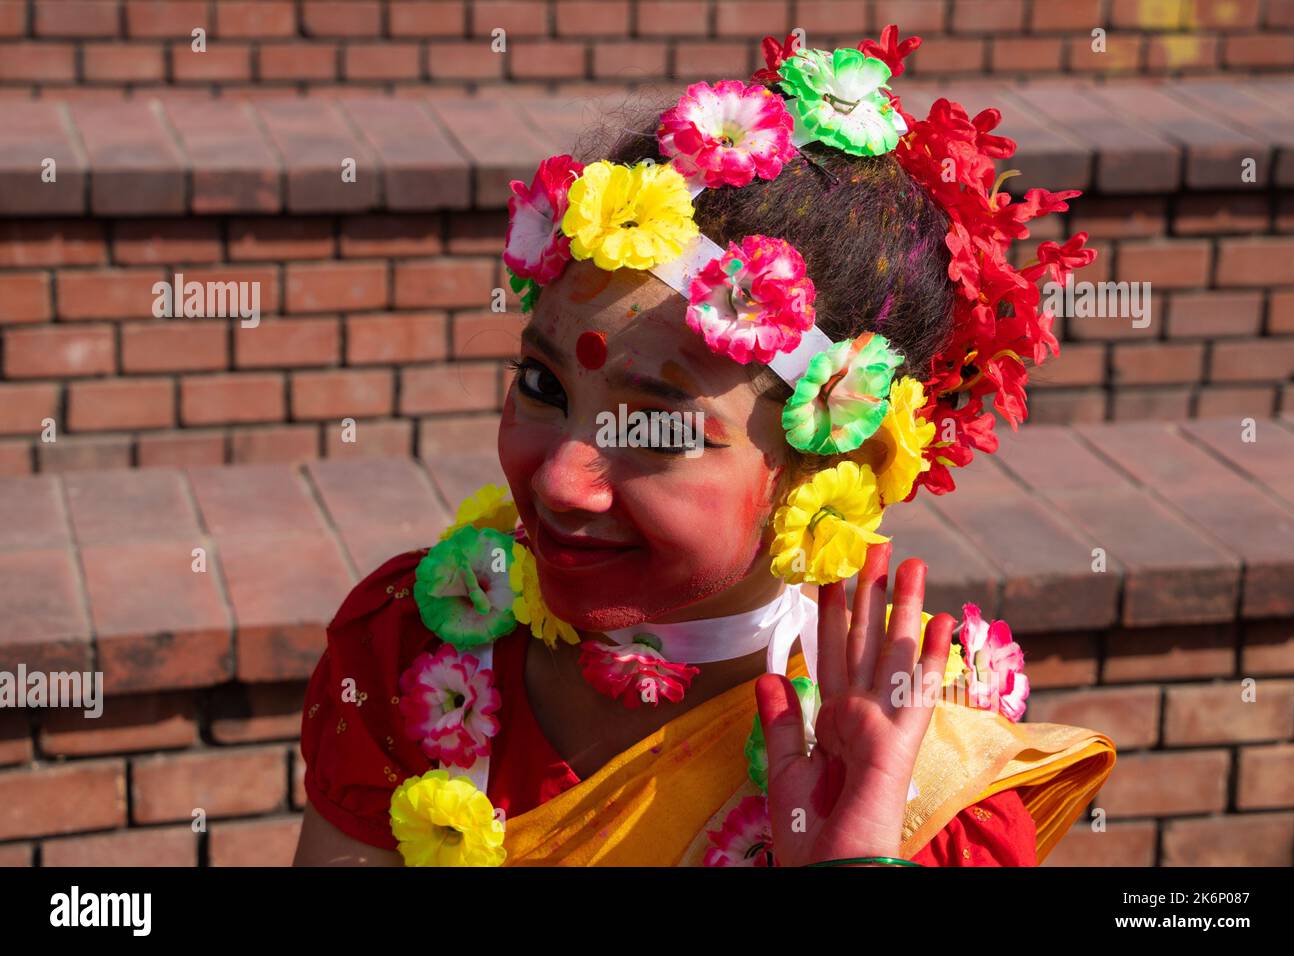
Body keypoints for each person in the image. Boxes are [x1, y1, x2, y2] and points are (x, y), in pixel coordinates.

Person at [293, 26, 1116, 868]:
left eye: (657, 428)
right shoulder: (407, 654)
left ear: (838, 464)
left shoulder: (921, 792)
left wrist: (853, 857)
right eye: (543, 386)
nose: (560, 481)